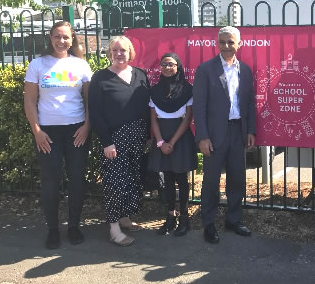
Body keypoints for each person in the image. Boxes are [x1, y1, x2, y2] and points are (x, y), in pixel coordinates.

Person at [24, 21, 92, 249]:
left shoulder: (81, 65)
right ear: (50, 38)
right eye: (57, 37)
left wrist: (86, 127)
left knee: (77, 181)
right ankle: (53, 229)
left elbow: (90, 101)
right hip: (48, 133)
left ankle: (74, 226)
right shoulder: (37, 64)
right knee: (51, 182)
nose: (61, 41)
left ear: (72, 39)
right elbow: (29, 101)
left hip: (77, 131)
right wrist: (37, 132)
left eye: (66, 37)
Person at [193, 26, 256, 244]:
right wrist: (202, 136)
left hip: (238, 131)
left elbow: (249, 102)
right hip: (214, 134)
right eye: (222, 42)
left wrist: (250, 130)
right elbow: (199, 106)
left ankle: (233, 219)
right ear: (217, 44)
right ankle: (208, 223)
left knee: (237, 178)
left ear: (239, 44)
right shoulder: (205, 70)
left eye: (231, 42)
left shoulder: (246, 70)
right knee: (211, 180)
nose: (227, 46)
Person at [89, 36, 150, 246]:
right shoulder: (100, 78)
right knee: (115, 182)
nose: (119, 54)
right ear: (109, 53)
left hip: (137, 136)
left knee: (132, 179)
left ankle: (125, 217)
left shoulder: (140, 74)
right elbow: (95, 113)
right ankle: (114, 228)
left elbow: (147, 108)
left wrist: (148, 136)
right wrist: (106, 142)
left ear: (130, 52)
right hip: (114, 139)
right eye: (114, 50)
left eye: (123, 50)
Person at [149, 53, 197, 237]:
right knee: (167, 178)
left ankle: (184, 218)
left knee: (182, 179)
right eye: (164, 64)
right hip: (162, 138)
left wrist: (172, 142)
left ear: (178, 67)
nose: (167, 67)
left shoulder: (187, 89)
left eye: (171, 64)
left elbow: (187, 120)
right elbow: (153, 119)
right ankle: (170, 216)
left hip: (180, 138)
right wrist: (161, 142)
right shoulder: (154, 91)